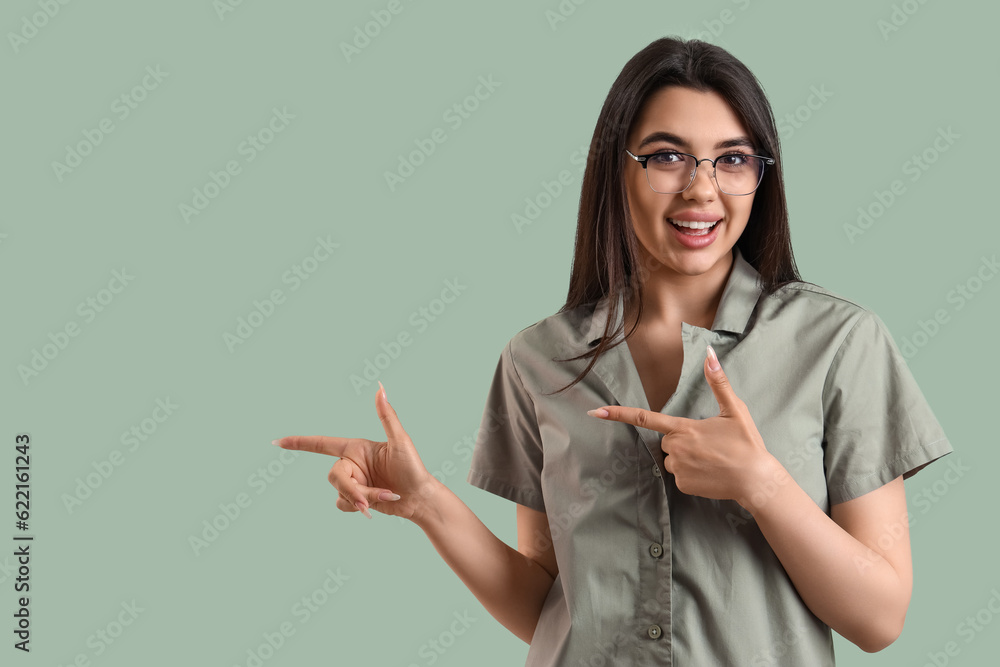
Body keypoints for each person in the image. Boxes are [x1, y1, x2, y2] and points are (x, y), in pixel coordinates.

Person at [273, 36, 954, 666]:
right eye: (666, 156)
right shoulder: (537, 359)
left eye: (733, 158)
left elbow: (880, 618)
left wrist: (764, 484)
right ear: (616, 167)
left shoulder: (841, 343)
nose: (701, 187)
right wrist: (425, 503)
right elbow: (547, 602)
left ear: (761, 175)